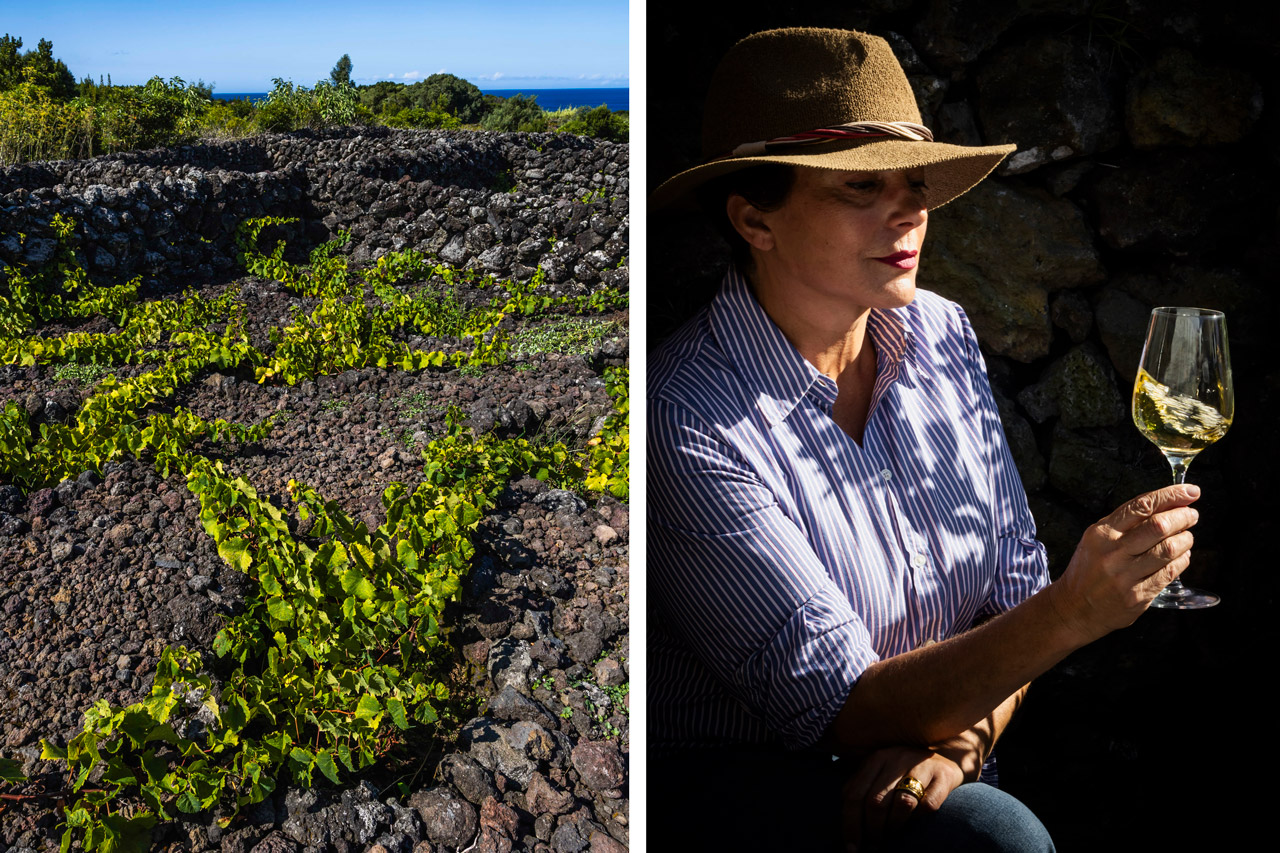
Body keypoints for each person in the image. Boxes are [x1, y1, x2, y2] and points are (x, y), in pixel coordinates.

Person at [647, 27, 1200, 851]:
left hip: (933, 753)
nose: (908, 208)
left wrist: (962, 741)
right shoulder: (689, 412)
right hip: (754, 781)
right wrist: (1077, 611)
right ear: (754, 220)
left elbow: (1011, 593)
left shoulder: (939, 332)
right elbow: (836, 706)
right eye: (860, 187)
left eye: (913, 181)